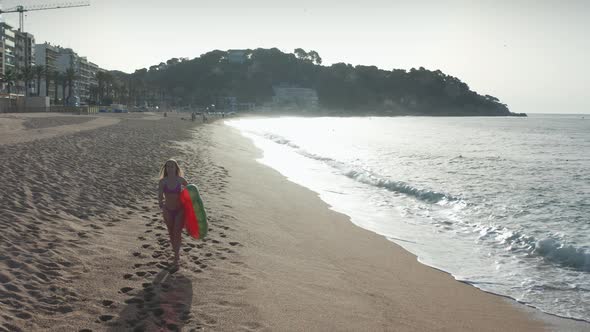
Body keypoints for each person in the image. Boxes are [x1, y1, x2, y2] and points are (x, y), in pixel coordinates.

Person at [157, 159, 188, 269]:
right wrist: (161, 203)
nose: (170, 168)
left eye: (172, 166)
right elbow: (160, 195)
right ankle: (175, 251)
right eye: (168, 166)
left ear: (176, 168)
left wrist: (190, 203)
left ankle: (176, 256)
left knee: (177, 232)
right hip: (168, 210)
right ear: (166, 169)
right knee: (171, 232)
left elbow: (190, 190)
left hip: (179, 210)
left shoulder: (180, 180)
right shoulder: (162, 181)